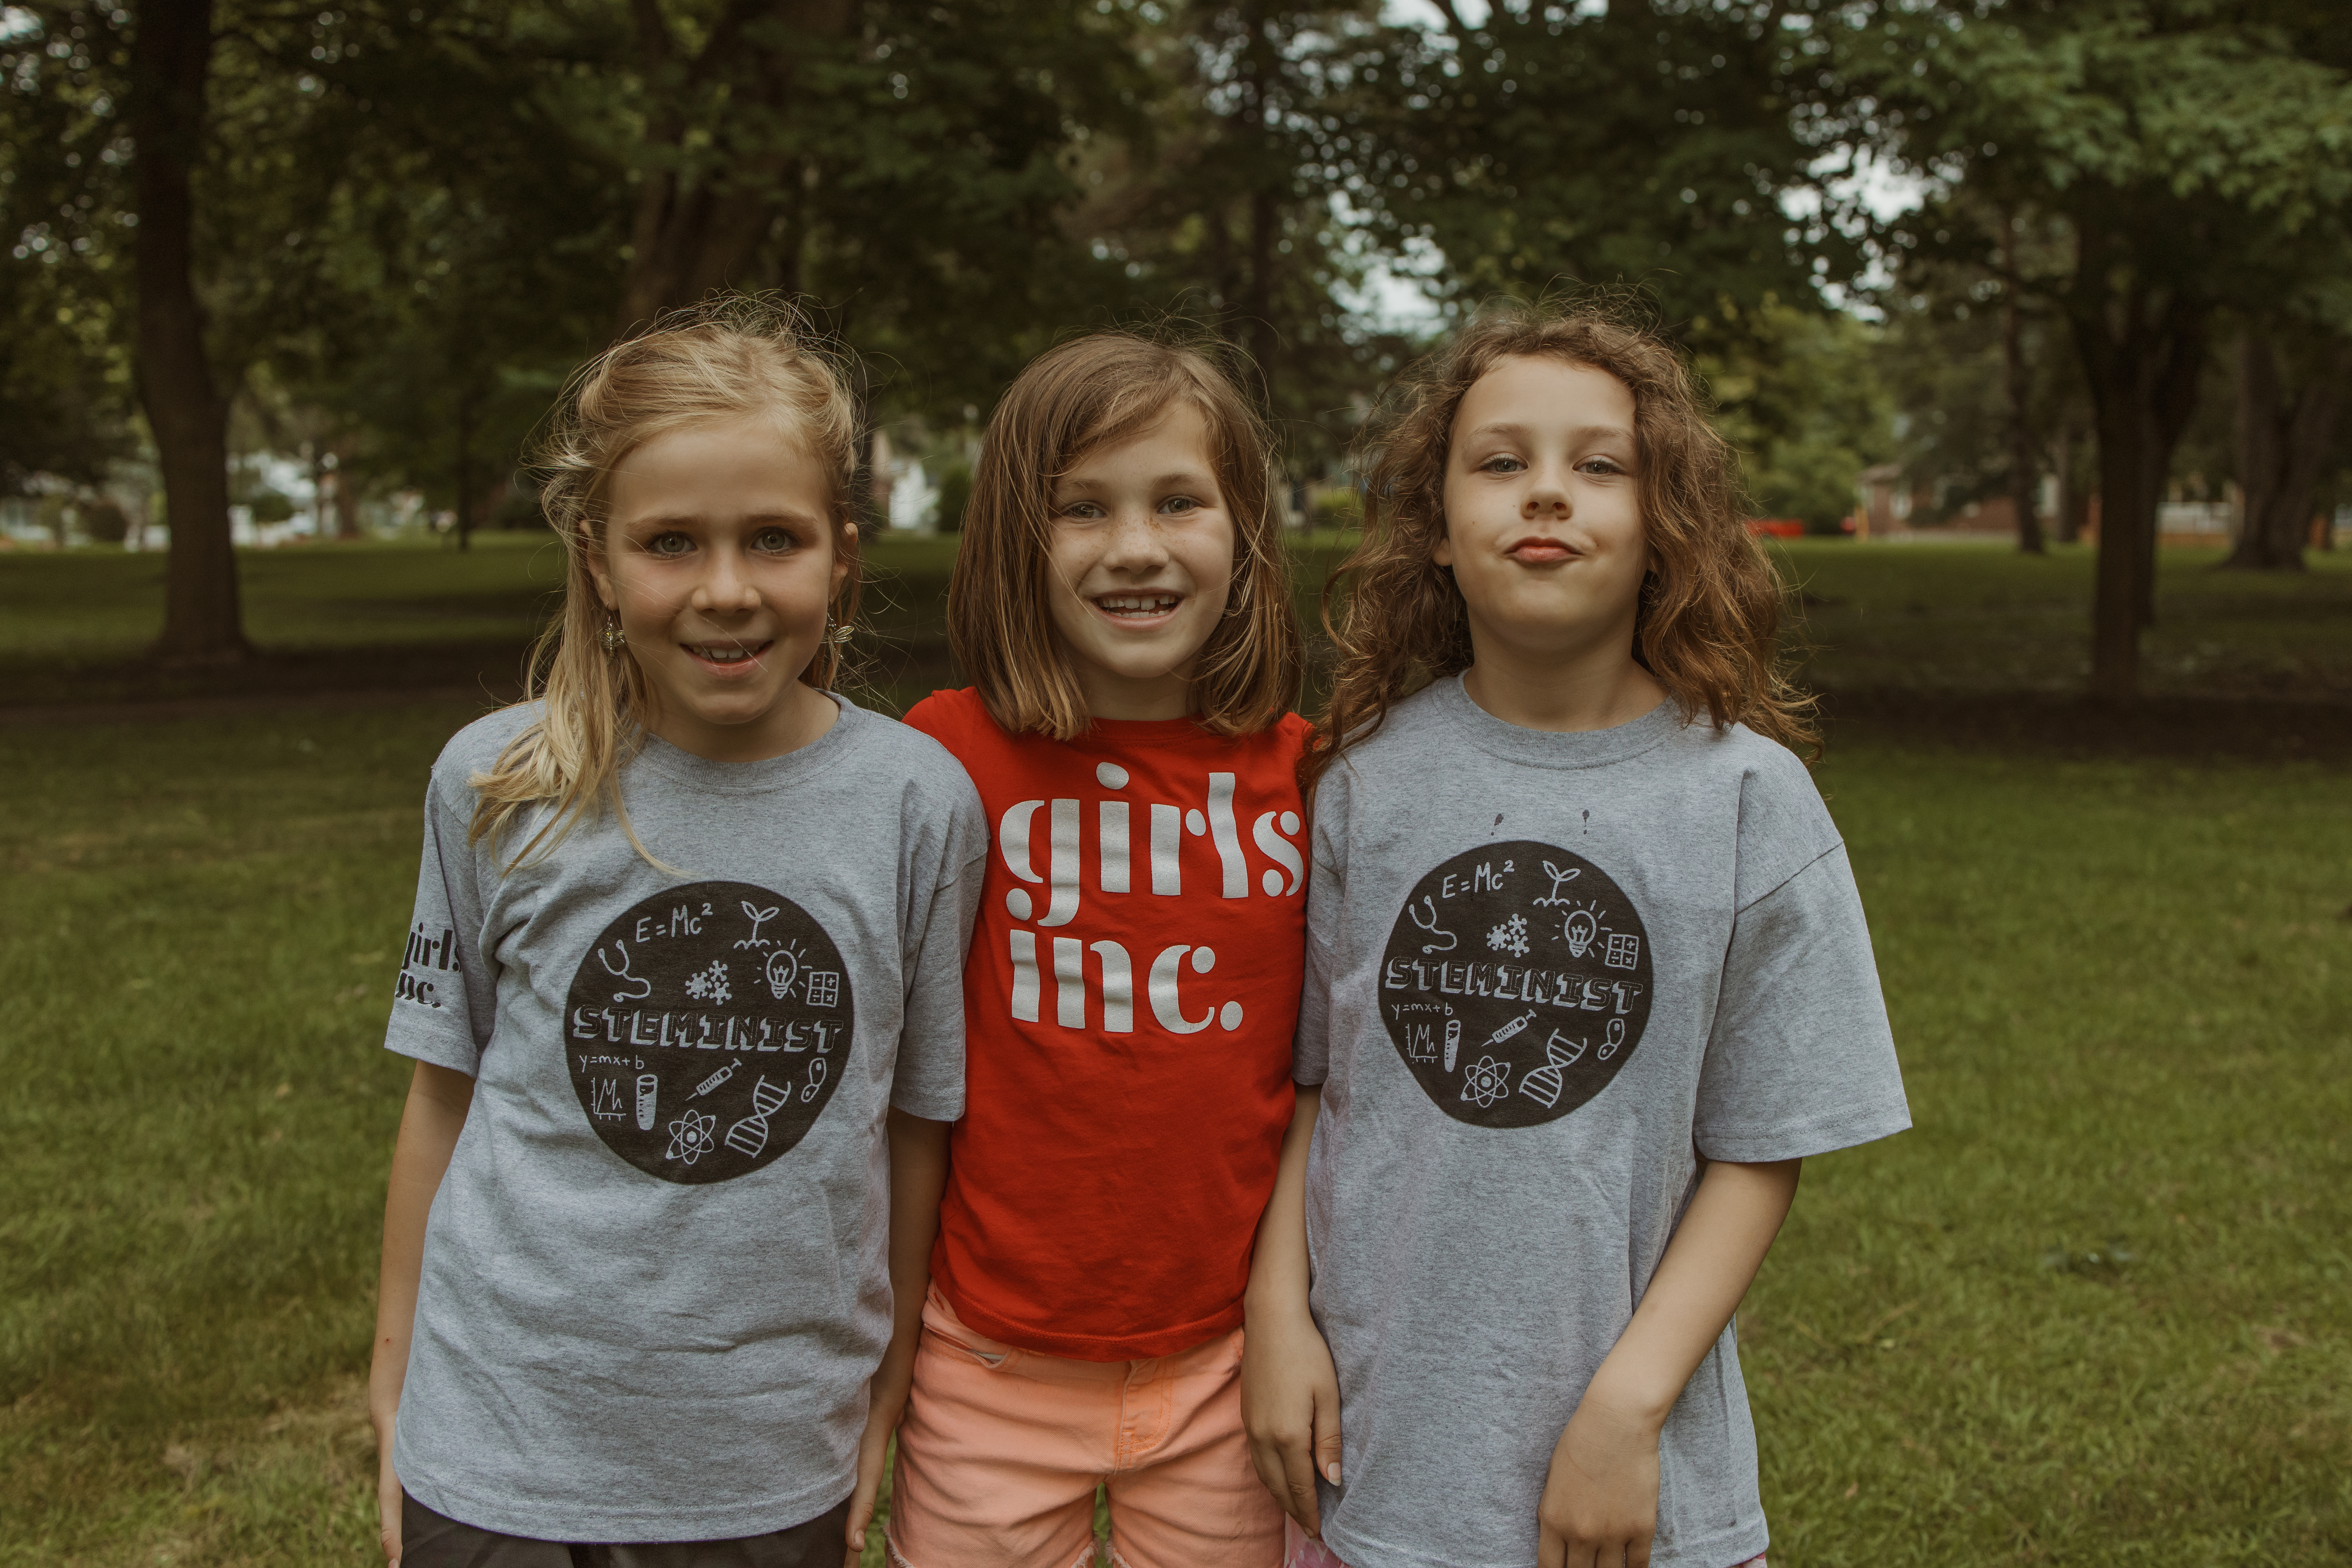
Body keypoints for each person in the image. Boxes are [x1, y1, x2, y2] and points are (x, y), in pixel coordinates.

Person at [1242, 303, 1912, 1568]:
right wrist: (1278, 1316)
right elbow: (1316, 1089)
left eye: (1598, 466)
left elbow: (1761, 1149)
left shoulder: (1747, 801)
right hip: (1374, 1470)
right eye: (1501, 463)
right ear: (1436, 532)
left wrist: (1629, 1406)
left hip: (1636, 1489)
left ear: (1666, 528)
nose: (1546, 493)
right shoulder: (1363, 783)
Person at [366, 301, 987, 1568]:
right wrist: (394, 1386)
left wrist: (887, 1387)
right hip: (495, 1432)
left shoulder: (919, 803)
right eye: (670, 543)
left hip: (766, 1456)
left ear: (842, 558)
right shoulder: (500, 782)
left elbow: (918, 1124)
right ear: (598, 561)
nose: (726, 590)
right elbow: (443, 1098)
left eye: (774, 539)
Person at [886, 332, 1313, 1568]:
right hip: (985, 1362)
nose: (1136, 547)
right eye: (1083, 508)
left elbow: (1326, 1085)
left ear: (1245, 535)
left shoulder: (1311, 775)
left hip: (1232, 1365)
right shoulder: (940, 760)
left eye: (1180, 501)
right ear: (1021, 541)